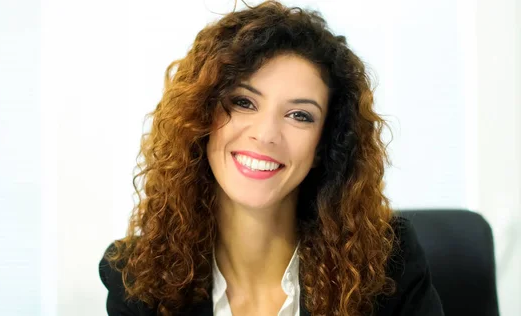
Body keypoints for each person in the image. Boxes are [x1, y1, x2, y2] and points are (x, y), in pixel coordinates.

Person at [99, 1, 444, 315]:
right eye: (244, 102)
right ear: (201, 119)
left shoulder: (387, 266)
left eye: (299, 115)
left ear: (324, 146)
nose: (265, 134)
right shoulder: (137, 280)